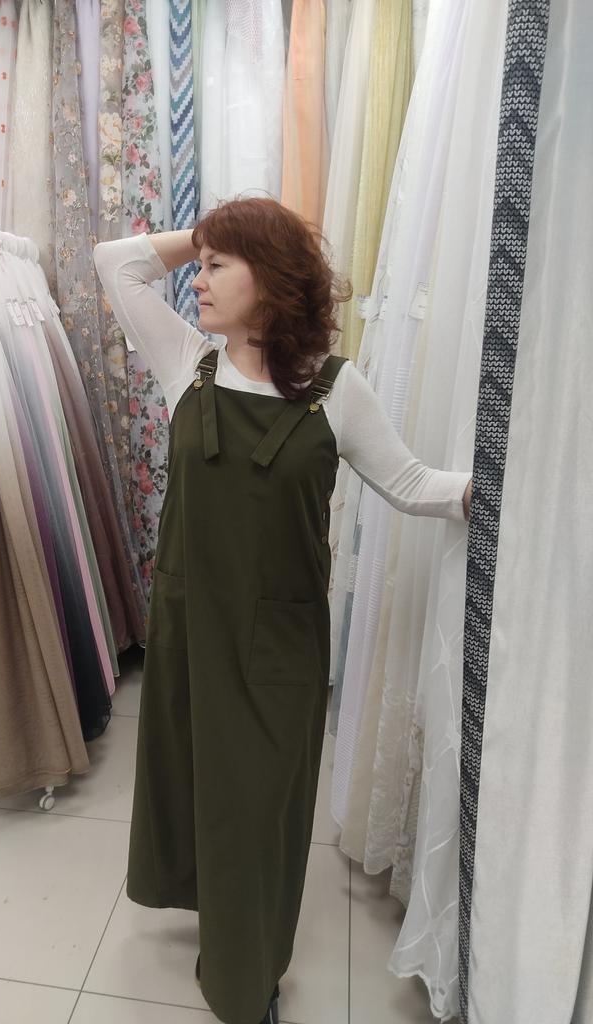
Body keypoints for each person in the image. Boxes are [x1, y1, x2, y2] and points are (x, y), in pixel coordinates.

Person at [93, 197, 472, 1024]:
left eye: (218, 265)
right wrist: (209, 233)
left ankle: (245, 978)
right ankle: (226, 930)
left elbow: (410, 484)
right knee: (201, 788)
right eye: (201, 263)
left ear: (269, 279)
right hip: (193, 632)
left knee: (260, 811)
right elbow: (114, 262)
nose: (198, 279)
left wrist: (488, 495)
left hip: (280, 649)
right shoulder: (187, 361)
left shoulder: (336, 389)